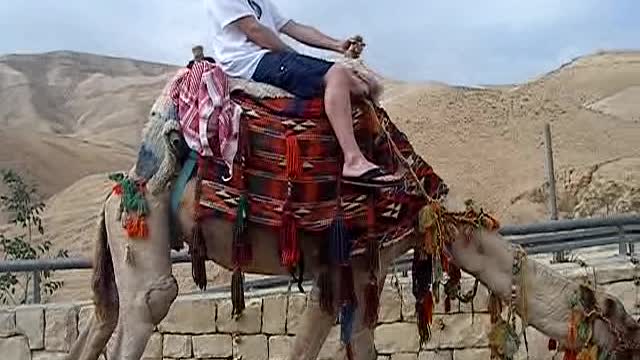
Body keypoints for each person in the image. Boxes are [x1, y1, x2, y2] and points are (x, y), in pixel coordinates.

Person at [203, 0, 402, 188]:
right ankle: (353, 160)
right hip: (249, 62)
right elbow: (255, 31)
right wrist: (294, 56)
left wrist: (337, 45)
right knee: (337, 74)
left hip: (268, 57)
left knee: (358, 83)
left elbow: (293, 27)